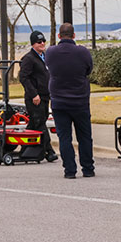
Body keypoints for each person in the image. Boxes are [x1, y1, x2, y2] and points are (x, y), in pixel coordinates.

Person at [45, 23, 95, 179]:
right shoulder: (82, 52)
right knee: (85, 136)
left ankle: (70, 170)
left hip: (59, 101)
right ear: (74, 35)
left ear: (59, 36)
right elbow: (89, 69)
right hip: (80, 100)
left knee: (64, 137)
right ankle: (88, 168)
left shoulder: (51, 52)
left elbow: (49, 67)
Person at [19, 30, 58, 162]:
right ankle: (49, 151)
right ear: (33, 44)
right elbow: (23, 78)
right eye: (39, 42)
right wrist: (34, 94)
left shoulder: (45, 57)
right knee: (40, 122)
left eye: (43, 41)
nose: (42, 44)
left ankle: (23, 149)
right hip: (35, 98)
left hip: (45, 96)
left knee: (34, 124)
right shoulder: (28, 59)